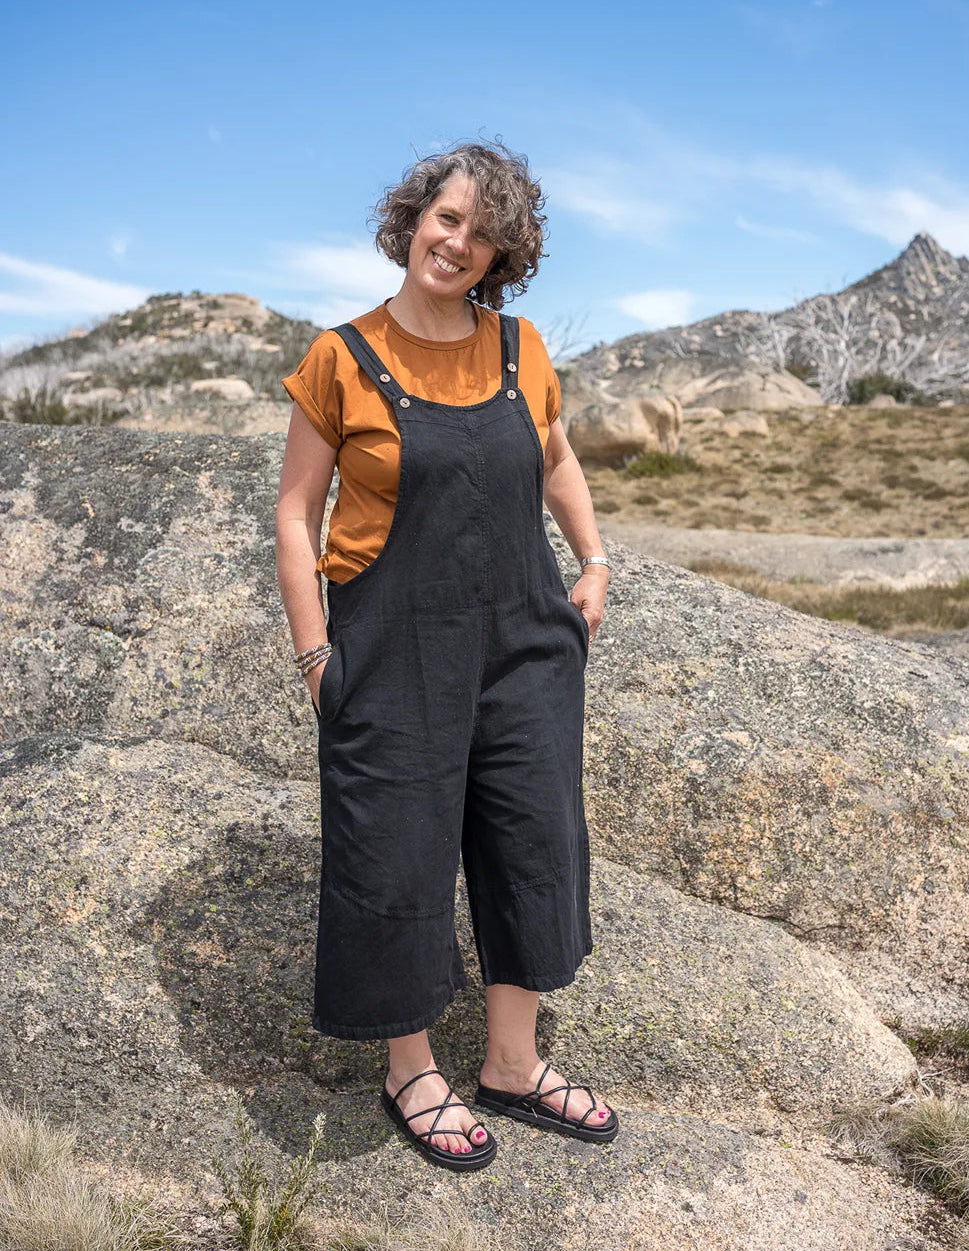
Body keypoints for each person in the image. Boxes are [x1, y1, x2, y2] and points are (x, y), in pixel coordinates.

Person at [275, 139, 618, 1171]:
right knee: (397, 848)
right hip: (392, 645)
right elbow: (295, 515)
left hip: (522, 643)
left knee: (531, 840)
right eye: (447, 218)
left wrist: (594, 560)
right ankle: (411, 1070)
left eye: (484, 233)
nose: (459, 243)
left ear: (504, 255)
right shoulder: (342, 356)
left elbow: (554, 457)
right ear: (413, 220)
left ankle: (512, 1063)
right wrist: (315, 658)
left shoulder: (521, 349)